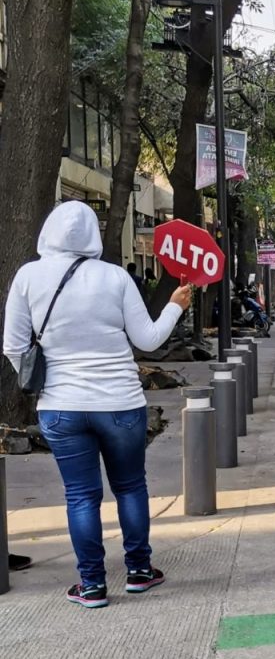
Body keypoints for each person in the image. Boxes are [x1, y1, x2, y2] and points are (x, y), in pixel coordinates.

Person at [2, 201, 192, 608]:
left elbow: (13, 346)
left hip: (61, 407)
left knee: (81, 496)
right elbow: (148, 340)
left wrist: (46, 380)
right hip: (120, 403)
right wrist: (175, 304)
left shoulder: (28, 277)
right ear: (92, 234)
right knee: (130, 487)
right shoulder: (115, 277)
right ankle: (140, 571)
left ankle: (91, 585)